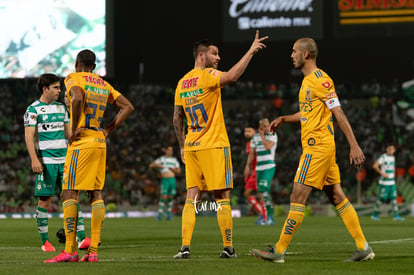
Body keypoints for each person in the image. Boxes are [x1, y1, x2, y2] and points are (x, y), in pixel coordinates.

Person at [250, 38, 375, 263]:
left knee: (297, 195)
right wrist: (285, 118)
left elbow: (339, 113)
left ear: (306, 54)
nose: (291, 55)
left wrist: (354, 145)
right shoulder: (307, 81)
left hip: (316, 148)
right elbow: (308, 113)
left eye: (294, 51)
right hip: (322, 148)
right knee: (336, 195)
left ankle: (278, 251)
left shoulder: (321, 80)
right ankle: (363, 247)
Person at [173, 30, 268, 259]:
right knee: (221, 196)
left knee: (191, 197)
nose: (218, 58)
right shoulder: (207, 76)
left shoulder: (182, 82)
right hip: (214, 144)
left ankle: (185, 247)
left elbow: (177, 118)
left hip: (192, 145)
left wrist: (181, 146)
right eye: (214, 54)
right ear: (201, 56)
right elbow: (233, 76)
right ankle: (228, 248)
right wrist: (251, 51)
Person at [45, 49, 134, 263]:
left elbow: (76, 97)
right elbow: (128, 106)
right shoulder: (103, 84)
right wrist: (109, 129)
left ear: (77, 63)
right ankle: (92, 252)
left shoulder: (73, 78)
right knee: (96, 194)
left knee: (69, 193)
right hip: (99, 140)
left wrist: (74, 128)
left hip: (82, 141)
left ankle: (70, 250)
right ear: (93, 67)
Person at [24, 73, 91, 252]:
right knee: (44, 201)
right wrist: (34, 159)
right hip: (46, 162)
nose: (59, 91)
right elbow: (29, 137)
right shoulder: (33, 110)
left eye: (59, 87)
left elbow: (68, 135)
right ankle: (45, 242)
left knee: (72, 198)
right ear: (45, 89)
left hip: (66, 160)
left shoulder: (62, 108)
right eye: (55, 88)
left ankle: (82, 237)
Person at [244, 118, 277, 225]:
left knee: (263, 188)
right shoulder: (255, 138)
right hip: (259, 168)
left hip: (269, 166)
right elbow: (252, 154)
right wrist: (248, 166)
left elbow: (268, 147)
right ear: (260, 128)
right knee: (261, 192)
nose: (267, 128)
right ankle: (266, 216)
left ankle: (270, 216)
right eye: (265, 127)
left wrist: (262, 136)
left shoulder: (273, 135)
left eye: (268, 126)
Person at [371, 145, 405, 221]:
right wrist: (382, 173)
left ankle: (396, 215)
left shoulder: (393, 158)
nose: (391, 151)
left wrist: (394, 174)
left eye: (393, 149)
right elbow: (375, 166)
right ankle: (374, 215)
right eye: (390, 149)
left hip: (391, 182)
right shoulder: (383, 157)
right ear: (387, 149)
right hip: (384, 182)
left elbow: (393, 167)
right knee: (381, 199)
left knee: (394, 198)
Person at [149, 146, 181, 221]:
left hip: (172, 179)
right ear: (166, 151)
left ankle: (168, 215)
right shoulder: (162, 159)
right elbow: (151, 165)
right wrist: (158, 165)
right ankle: (159, 215)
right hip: (165, 180)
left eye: (172, 150)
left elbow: (179, 171)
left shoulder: (174, 160)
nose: (171, 152)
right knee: (163, 197)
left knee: (171, 197)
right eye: (169, 150)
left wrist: (174, 170)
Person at [242, 126, 265, 223]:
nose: (246, 133)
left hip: (260, 169)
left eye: (249, 131)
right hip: (254, 171)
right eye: (245, 131)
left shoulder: (258, 141)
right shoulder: (248, 144)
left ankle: (265, 215)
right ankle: (262, 213)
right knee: (246, 193)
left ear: (254, 132)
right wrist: (248, 168)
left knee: (260, 193)